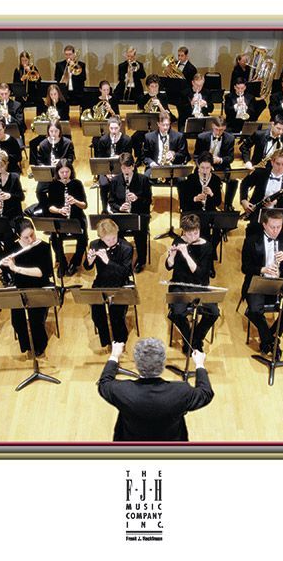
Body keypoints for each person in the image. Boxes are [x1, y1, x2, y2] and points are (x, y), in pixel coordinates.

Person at [97, 338, 213, 441]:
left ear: (137, 364)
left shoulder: (122, 390)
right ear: (163, 364)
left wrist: (114, 356)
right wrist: (199, 364)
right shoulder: (181, 391)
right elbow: (205, 393)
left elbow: (104, 383)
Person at [241, 209, 283, 357]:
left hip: (279, 281)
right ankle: (272, 341)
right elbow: (245, 268)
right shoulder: (251, 240)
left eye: (279, 227)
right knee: (254, 310)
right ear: (264, 225)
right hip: (258, 280)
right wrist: (263, 269)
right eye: (272, 227)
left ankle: (269, 337)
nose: (276, 231)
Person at [0, 218, 55, 358]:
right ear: (18, 236)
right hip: (20, 287)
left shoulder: (43, 247)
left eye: (32, 234)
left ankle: (40, 345)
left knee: (36, 319)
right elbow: (4, 271)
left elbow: (42, 272)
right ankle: (26, 345)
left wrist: (16, 268)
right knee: (17, 321)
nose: (31, 240)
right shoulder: (12, 248)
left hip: (40, 287)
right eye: (26, 237)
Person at [166, 213, 219, 352]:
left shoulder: (207, 246)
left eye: (196, 233)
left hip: (200, 286)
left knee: (214, 312)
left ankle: (196, 338)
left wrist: (186, 255)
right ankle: (189, 340)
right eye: (189, 234)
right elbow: (169, 266)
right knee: (177, 313)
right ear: (183, 232)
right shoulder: (178, 241)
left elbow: (200, 275)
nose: (193, 237)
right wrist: (171, 257)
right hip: (179, 286)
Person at [83, 218, 134, 348]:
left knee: (116, 314)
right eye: (107, 240)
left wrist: (108, 261)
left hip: (120, 284)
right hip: (101, 282)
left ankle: (120, 340)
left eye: (114, 238)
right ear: (101, 238)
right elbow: (87, 267)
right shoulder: (94, 245)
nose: (111, 242)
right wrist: (90, 261)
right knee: (96, 314)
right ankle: (105, 340)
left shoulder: (126, 247)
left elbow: (125, 272)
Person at [178, 152, 223, 276]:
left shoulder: (215, 180)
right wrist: (195, 199)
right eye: (202, 167)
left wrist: (212, 194)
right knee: (202, 231)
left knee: (218, 232)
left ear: (211, 167)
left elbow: (218, 202)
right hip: (194, 212)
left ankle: (209, 255)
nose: (204, 171)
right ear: (198, 166)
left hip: (209, 212)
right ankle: (198, 257)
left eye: (207, 168)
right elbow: (184, 201)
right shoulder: (191, 179)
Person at [108, 152, 152, 273]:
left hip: (139, 214)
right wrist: (120, 208)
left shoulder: (143, 180)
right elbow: (111, 202)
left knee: (140, 233)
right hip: (123, 215)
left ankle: (141, 260)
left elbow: (148, 201)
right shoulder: (115, 180)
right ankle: (122, 257)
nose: (126, 171)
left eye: (128, 168)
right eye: (123, 168)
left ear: (133, 166)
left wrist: (137, 199)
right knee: (115, 232)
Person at [47, 158, 88, 276]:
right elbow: (50, 207)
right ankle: (62, 262)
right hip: (60, 217)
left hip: (76, 218)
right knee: (55, 238)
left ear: (71, 171)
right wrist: (59, 210)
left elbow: (84, 205)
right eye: (62, 172)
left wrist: (75, 201)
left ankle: (75, 262)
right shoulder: (53, 185)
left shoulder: (77, 183)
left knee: (83, 238)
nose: (65, 175)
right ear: (57, 172)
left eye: (67, 172)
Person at [27, 119, 76, 216]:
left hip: (63, 174)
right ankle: (47, 210)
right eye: (51, 131)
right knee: (39, 191)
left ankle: (63, 209)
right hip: (48, 174)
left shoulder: (67, 143)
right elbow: (39, 161)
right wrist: (43, 166)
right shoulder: (43, 144)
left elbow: (71, 159)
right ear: (48, 131)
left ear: (60, 131)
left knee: (61, 190)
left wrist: (61, 162)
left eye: (56, 131)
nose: (53, 134)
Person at [240, 149, 283, 219]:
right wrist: (244, 200)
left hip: (280, 215)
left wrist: (276, 202)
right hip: (258, 212)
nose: (280, 167)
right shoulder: (260, 173)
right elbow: (244, 184)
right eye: (277, 164)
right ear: (272, 162)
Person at [193, 116, 237, 210]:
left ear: (225, 128)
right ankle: (196, 201)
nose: (218, 132)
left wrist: (220, 160)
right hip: (204, 166)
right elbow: (196, 156)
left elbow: (230, 158)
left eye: (221, 130)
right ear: (212, 126)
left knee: (233, 181)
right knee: (193, 177)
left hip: (221, 166)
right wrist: (202, 166)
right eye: (216, 129)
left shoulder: (230, 138)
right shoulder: (202, 137)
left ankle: (228, 205)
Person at [96, 119, 133, 211]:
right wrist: (107, 173)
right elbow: (101, 159)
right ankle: (104, 209)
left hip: (123, 168)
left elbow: (129, 158)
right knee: (104, 184)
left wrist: (119, 157)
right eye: (111, 128)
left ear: (120, 127)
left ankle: (124, 206)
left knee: (125, 181)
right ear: (108, 128)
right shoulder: (103, 140)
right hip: (106, 169)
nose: (113, 131)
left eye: (116, 128)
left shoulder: (127, 140)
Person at [142, 111, 189, 176]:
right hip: (155, 167)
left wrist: (174, 155)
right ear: (158, 124)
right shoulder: (149, 137)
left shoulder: (179, 136)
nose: (165, 128)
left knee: (182, 180)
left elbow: (184, 155)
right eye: (163, 125)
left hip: (173, 167)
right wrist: (152, 163)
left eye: (167, 125)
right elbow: (145, 157)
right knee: (145, 177)